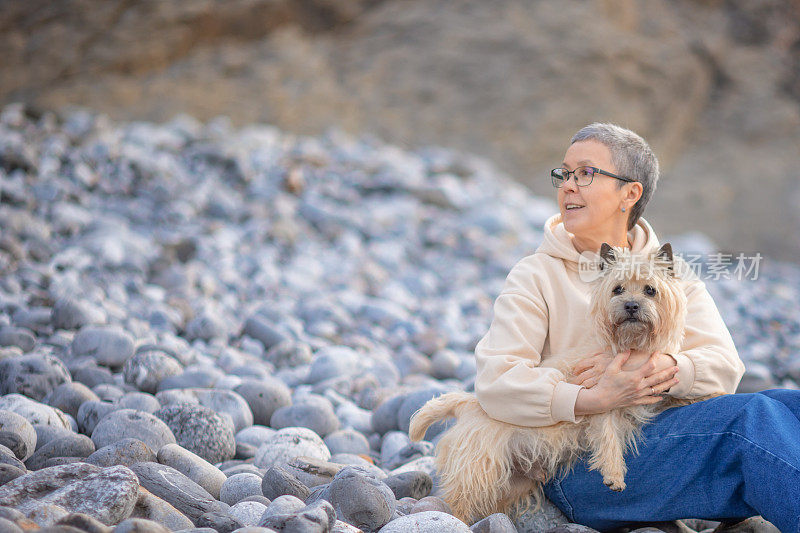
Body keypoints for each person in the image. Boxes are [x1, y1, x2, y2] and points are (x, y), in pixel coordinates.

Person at [473, 122, 800, 532]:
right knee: (751, 422)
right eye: (564, 173)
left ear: (630, 193)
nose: (568, 186)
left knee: (791, 406)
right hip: (578, 466)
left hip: (654, 437)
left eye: (585, 174)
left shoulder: (671, 274)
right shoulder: (535, 275)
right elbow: (496, 382)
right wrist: (591, 398)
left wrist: (659, 368)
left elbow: (724, 367)